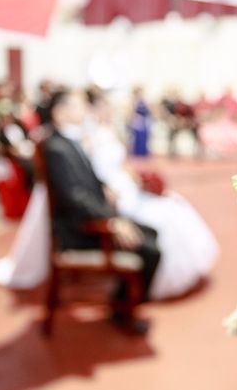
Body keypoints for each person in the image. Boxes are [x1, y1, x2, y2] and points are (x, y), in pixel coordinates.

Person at [43, 89, 160, 333]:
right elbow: (74, 197)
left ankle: (122, 301)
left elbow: (86, 182)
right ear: (60, 112)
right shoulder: (56, 147)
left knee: (153, 232)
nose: (83, 110)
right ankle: (125, 310)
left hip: (92, 220)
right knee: (151, 250)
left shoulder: (69, 141)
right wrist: (112, 222)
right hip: (81, 231)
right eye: (77, 106)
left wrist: (105, 189)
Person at [86, 90, 219, 300]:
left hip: (125, 184)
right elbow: (90, 173)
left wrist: (139, 180)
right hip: (114, 191)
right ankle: (153, 279)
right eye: (103, 105)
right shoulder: (88, 137)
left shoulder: (108, 131)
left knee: (173, 203)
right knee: (163, 216)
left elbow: (122, 163)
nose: (107, 110)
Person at [128, 86, 151, 157]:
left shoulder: (144, 101)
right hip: (137, 121)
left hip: (144, 121)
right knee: (137, 138)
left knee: (144, 137)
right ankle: (137, 153)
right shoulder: (133, 101)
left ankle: (143, 152)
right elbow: (131, 112)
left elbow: (149, 110)